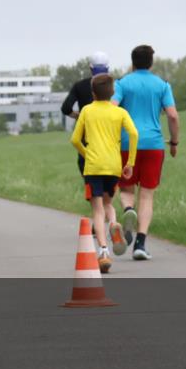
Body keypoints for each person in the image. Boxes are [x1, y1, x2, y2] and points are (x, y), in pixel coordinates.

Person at [112, 44, 180, 261]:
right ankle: (140, 244)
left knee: (126, 189)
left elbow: (111, 108)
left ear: (132, 62)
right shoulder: (162, 85)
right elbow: (172, 116)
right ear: (151, 63)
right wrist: (174, 142)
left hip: (126, 143)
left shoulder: (121, 83)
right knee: (147, 194)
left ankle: (128, 210)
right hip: (153, 144)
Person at [70, 74, 138, 273]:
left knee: (98, 210)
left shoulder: (86, 110)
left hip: (93, 167)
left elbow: (75, 140)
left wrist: (88, 154)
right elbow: (134, 133)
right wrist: (130, 162)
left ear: (93, 93)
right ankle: (114, 224)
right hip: (113, 166)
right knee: (108, 204)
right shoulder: (120, 112)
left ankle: (103, 252)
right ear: (112, 92)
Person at [60, 51, 121, 245]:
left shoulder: (80, 86)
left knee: (94, 193)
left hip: (88, 149)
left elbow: (65, 107)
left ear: (90, 68)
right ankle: (109, 222)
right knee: (107, 196)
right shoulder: (113, 86)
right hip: (110, 150)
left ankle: (100, 225)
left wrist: (79, 117)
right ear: (108, 68)